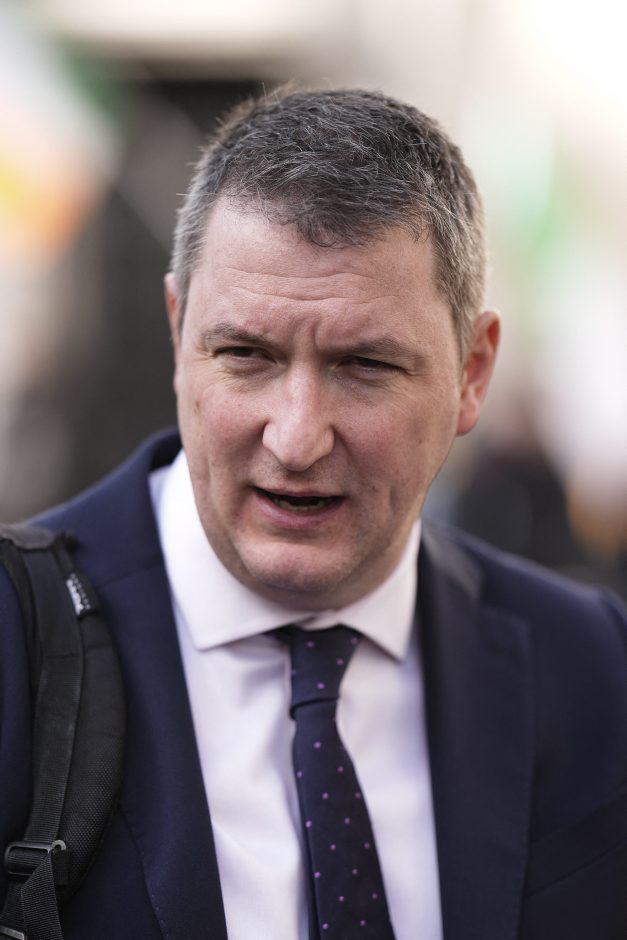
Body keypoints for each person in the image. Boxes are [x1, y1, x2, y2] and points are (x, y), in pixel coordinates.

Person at [0, 87, 625, 940]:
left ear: (471, 373)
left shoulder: (594, 671)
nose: (296, 439)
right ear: (180, 335)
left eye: (365, 366)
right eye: (245, 354)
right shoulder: (14, 645)